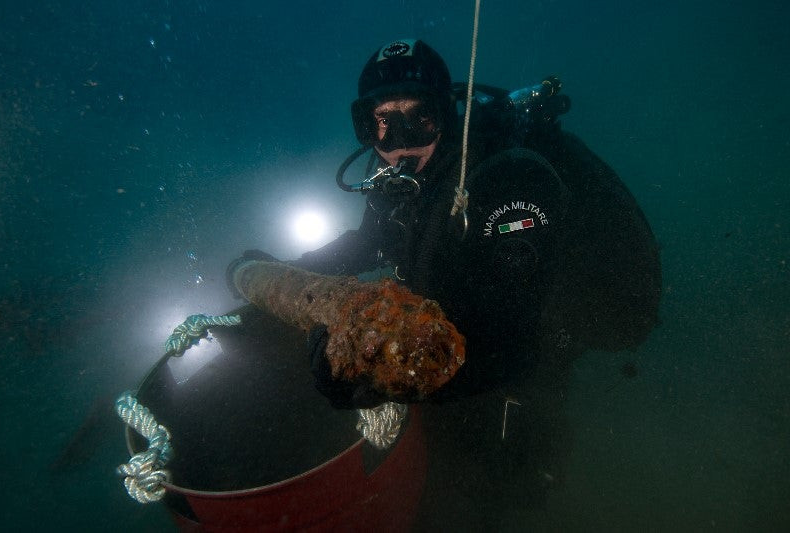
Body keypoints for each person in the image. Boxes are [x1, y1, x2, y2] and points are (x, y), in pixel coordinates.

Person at [230, 39, 661, 528]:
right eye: (381, 123)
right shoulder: (402, 175)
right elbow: (367, 241)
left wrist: (377, 376)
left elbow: (515, 347)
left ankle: (522, 465)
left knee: (485, 468)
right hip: (475, 309)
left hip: (547, 317)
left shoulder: (508, 183)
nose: (399, 142)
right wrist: (284, 267)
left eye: (421, 119)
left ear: (449, 115)